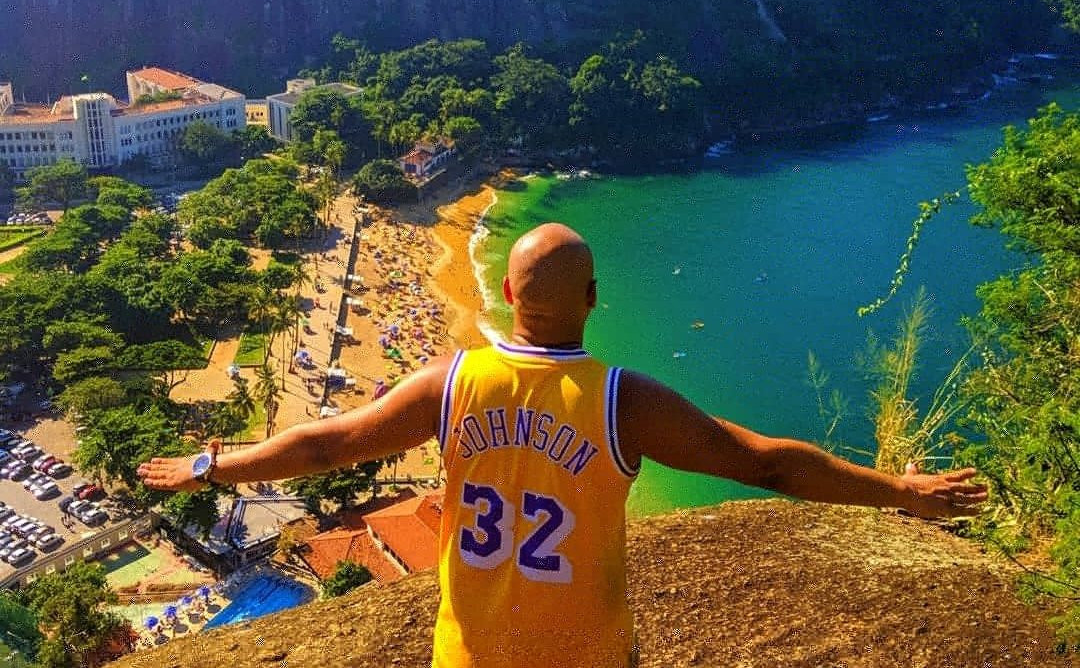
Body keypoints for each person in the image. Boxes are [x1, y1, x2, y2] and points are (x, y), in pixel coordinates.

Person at [138, 223, 986, 668]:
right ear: (594, 298)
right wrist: (902, 492)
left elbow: (325, 447)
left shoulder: (450, 384)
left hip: (466, 658)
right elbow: (764, 462)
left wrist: (216, 465)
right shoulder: (622, 402)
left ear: (506, 295)